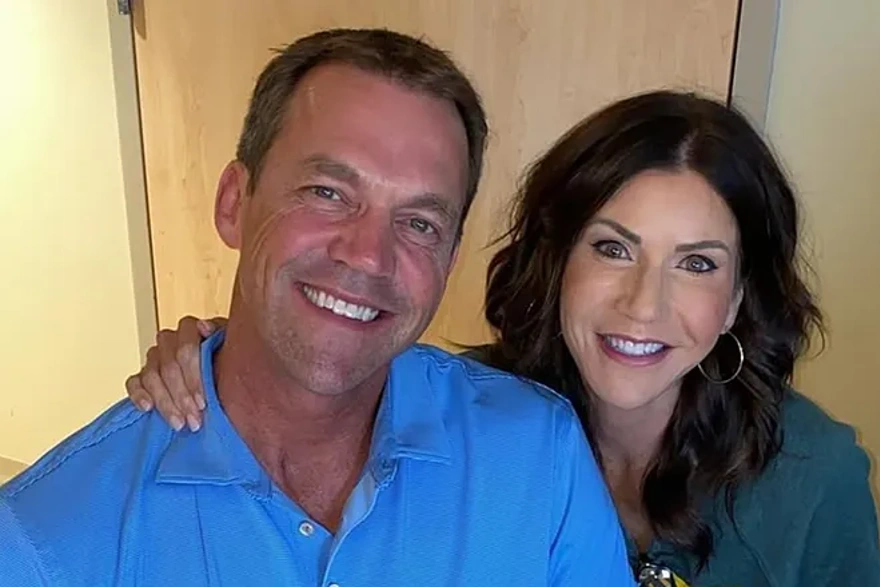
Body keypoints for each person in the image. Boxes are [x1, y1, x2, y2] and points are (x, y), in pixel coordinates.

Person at [130, 90, 880, 586]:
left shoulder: (813, 481)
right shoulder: (466, 413)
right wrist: (214, 355)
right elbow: (320, 371)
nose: (643, 304)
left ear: (737, 297)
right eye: (612, 248)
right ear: (558, 259)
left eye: (697, 264)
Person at [0, 29, 634, 586]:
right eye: (327, 192)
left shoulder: (539, 456)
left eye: (419, 223)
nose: (369, 256)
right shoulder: (43, 540)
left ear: (450, 258)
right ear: (234, 202)